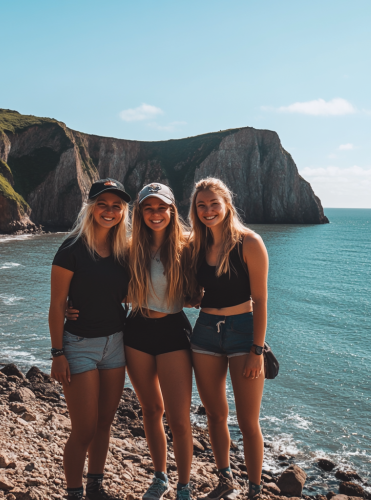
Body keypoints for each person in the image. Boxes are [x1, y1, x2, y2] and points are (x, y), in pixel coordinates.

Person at [49, 178, 131, 500]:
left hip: (116, 344)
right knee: (83, 429)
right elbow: (57, 304)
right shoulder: (71, 248)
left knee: (104, 423)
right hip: (79, 346)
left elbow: (131, 292)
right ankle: (74, 493)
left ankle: (96, 487)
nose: (109, 211)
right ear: (91, 207)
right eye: (103, 204)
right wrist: (57, 353)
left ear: (123, 211)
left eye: (116, 206)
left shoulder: (124, 250)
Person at [188, 177, 269, 500]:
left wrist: (258, 350)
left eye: (213, 204)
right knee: (215, 414)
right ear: (195, 210)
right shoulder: (196, 245)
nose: (208, 210)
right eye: (201, 205)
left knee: (249, 422)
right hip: (205, 331)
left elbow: (261, 300)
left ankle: (255, 490)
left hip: (242, 332)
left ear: (226, 204)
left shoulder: (250, 242)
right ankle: (225, 480)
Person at [124, 183, 194, 500]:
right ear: (140, 212)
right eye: (148, 208)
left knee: (179, 418)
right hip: (137, 330)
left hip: (173, 333)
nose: (155, 214)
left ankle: (184, 485)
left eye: (161, 208)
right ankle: (160, 477)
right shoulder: (128, 248)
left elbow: (216, 280)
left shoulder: (187, 246)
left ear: (171, 210)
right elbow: (101, 282)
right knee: (151, 409)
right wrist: (72, 305)